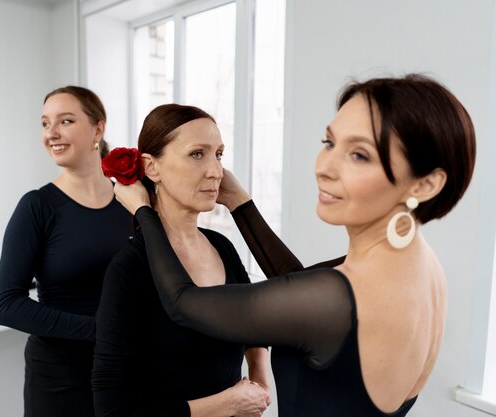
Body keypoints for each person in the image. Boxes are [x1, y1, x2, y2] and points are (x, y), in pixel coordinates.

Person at [113, 74, 476, 416]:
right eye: (329, 143)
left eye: (359, 154)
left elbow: (183, 303)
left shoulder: (336, 296)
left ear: (425, 185)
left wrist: (143, 211)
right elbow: (300, 285)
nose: (324, 167)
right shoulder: (419, 268)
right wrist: (240, 205)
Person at [91, 104, 271, 417]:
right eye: (197, 154)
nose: (216, 171)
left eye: (218, 154)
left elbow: (255, 325)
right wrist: (228, 403)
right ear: (151, 167)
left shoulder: (223, 248)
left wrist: (260, 381)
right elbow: (111, 411)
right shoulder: (129, 269)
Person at [0, 86, 133, 417]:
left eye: (65, 121)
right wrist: (102, 331)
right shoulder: (37, 207)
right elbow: (5, 305)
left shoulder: (131, 203)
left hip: (125, 366)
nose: (50, 133)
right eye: (44, 123)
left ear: (98, 128)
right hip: (60, 375)